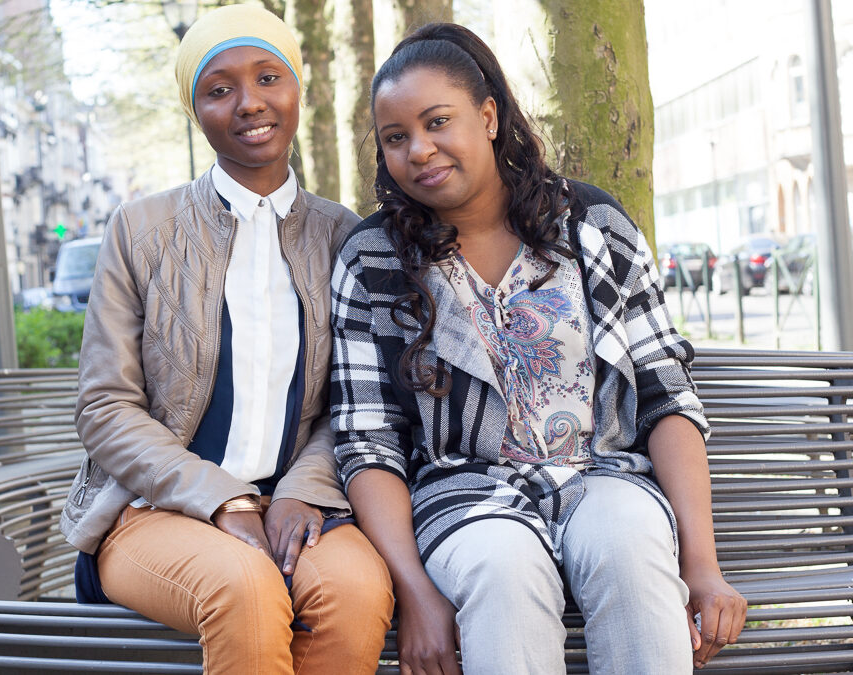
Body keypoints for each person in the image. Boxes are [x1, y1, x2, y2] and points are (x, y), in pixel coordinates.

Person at [330, 23, 746, 675]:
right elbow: (367, 438)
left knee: (631, 543)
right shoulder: (373, 259)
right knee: (503, 569)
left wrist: (703, 566)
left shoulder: (594, 228)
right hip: (462, 496)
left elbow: (666, 398)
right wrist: (414, 591)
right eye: (395, 138)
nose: (419, 149)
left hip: (605, 476)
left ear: (489, 115)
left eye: (438, 121)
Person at [59, 6, 393, 674]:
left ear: (299, 88)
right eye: (219, 89)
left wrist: (302, 489)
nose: (250, 103)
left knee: (356, 591)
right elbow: (105, 406)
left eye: (269, 77)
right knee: (244, 586)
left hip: (305, 505)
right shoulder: (141, 230)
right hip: (155, 509)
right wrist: (221, 497)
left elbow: (356, 402)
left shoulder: (343, 235)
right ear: (196, 111)